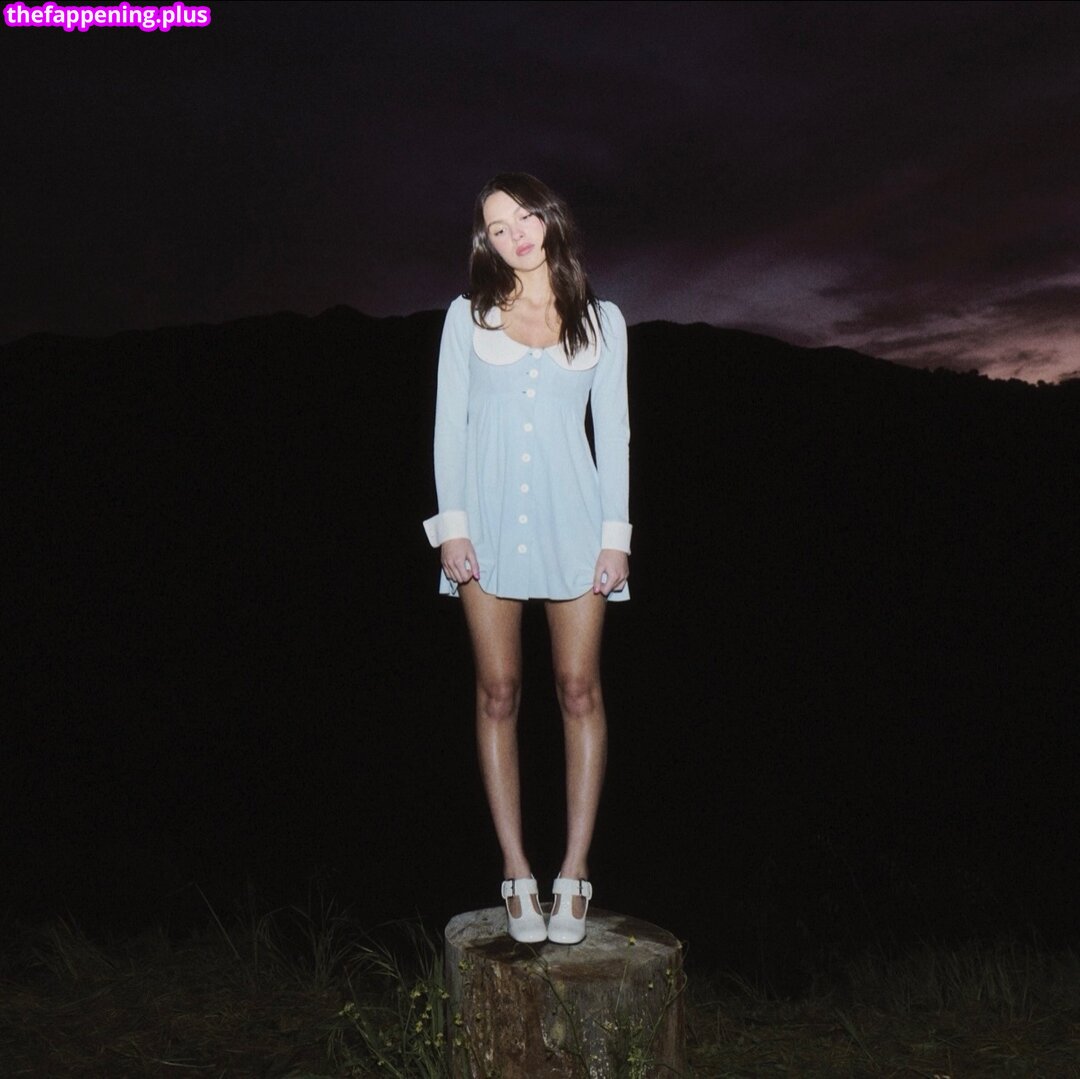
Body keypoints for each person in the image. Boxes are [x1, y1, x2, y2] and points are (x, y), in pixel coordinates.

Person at [423, 173, 631, 945]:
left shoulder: (602, 320)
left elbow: (615, 434)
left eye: (524, 216)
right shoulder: (468, 317)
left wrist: (617, 537)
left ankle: (574, 868)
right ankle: (516, 868)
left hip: (577, 527)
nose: (515, 234)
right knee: (498, 691)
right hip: (485, 530)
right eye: (498, 226)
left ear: (549, 217)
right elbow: (448, 425)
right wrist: (452, 528)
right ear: (487, 240)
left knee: (578, 688)